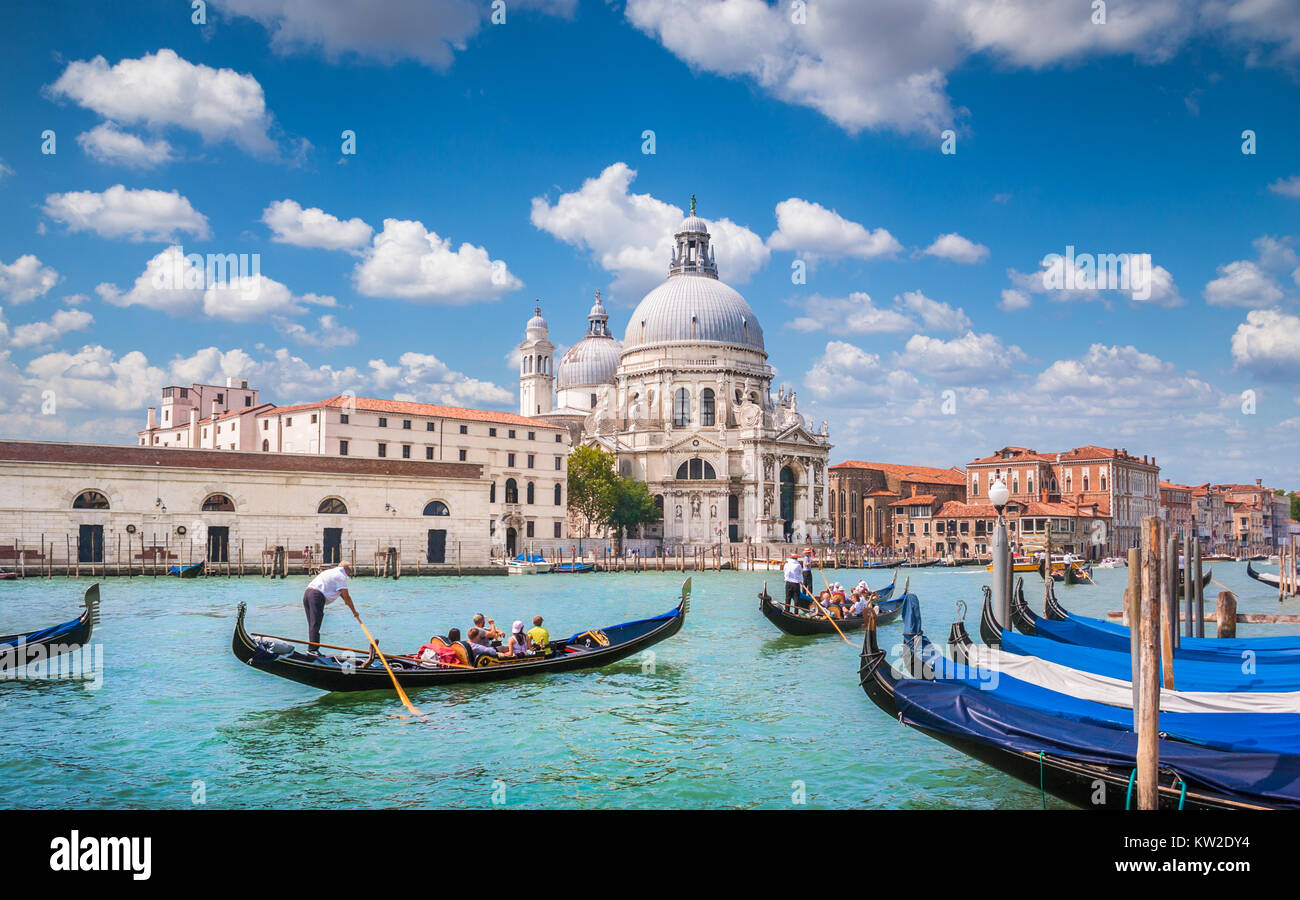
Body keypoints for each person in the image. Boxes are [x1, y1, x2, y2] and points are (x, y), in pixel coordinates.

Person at [302, 562, 356, 654]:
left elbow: (344, 597)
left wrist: (351, 608)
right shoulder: (341, 576)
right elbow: (347, 597)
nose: (348, 575)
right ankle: (313, 650)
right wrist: (355, 612)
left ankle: (312, 648)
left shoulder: (330, 572)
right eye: (349, 572)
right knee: (315, 624)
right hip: (316, 596)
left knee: (312, 625)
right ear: (346, 570)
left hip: (307, 593)